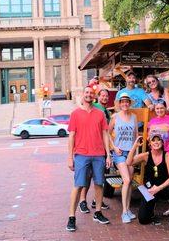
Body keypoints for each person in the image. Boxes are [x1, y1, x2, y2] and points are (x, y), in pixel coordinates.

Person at [66, 87, 111, 232]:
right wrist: (70, 157)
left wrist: (108, 155)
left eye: (91, 93)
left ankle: (98, 212)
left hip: (98, 155)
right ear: (82, 95)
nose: (89, 95)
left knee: (99, 184)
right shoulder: (75, 114)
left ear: (94, 96)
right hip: (81, 154)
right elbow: (71, 136)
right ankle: (71, 217)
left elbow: (105, 134)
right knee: (78, 185)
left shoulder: (100, 114)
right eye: (87, 92)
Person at [126, 134, 169, 229]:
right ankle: (151, 213)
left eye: (159, 140)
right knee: (143, 219)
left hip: (164, 188)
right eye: (153, 140)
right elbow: (128, 162)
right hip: (150, 190)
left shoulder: (167, 155)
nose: (156, 142)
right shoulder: (146, 155)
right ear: (150, 144)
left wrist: (159, 188)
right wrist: (135, 146)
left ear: (162, 142)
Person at [78, 88, 111, 213]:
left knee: (99, 178)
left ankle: (96, 201)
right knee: (87, 176)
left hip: (101, 148)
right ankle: (82, 201)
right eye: (102, 95)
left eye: (106, 96)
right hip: (89, 148)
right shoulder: (95, 106)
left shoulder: (106, 112)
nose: (104, 98)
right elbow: (83, 104)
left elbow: (106, 131)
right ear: (97, 97)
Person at [109, 93, 137, 223]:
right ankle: (124, 212)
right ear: (119, 104)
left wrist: (135, 151)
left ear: (129, 103)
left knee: (130, 181)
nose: (125, 104)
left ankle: (128, 209)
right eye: (122, 102)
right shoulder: (115, 117)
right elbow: (107, 134)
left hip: (130, 152)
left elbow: (136, 136)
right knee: (126, 180)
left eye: (127, 102)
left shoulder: (134, 117)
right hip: (119, 153)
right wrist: (114, 147)